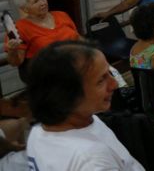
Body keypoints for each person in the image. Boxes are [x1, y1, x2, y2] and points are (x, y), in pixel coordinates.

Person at [26, 41, 144, 170]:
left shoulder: (38, 131)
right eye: (101, 80)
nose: (114, 84)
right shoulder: (90, 161)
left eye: (109, 73)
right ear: (66, 97)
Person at [4, 0, 80, 83]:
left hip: (72, 65)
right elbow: (16, 62)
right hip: (45, 74)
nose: (42, 3)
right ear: (25, 8)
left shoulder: (62, 15)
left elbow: (78, 39)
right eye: (36, 1)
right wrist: (12, 50)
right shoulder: (21, 27)